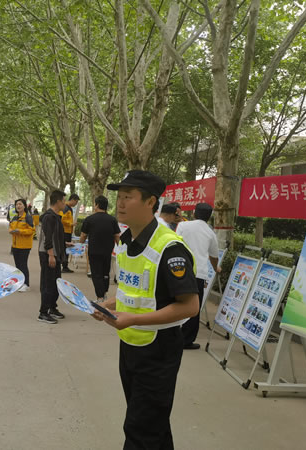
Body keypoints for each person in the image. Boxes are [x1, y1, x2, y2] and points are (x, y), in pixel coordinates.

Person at [92, 170, 199, 449]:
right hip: (130, 345)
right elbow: (135, 291)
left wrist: (133, 319)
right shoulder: (126, 241)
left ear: (151, 202)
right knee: (153, 425)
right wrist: (107, 305)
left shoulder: (169, 248)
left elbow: (190, 306)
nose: (120, 203)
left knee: (140, 429)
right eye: (119, 196)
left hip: (159, 349)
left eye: (128, 197)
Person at [176, 202, 220, 349]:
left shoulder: (183, 226)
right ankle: (187, 340)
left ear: (194, 213)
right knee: (194, 307)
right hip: (198, 273)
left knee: (175, 302)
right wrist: (216, 268)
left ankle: (170, 334)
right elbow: (214, 255)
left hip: (179, 269)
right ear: (210, 216)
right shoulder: (210, 233)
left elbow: (175, 243)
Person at [79, 195, 120, 303]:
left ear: (97, 205)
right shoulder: (112, 220)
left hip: (94, 251)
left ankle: (100, 298)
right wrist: (121, 250)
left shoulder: (89, 219)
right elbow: (117, 236)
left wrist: (80, 244)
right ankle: (104, 294)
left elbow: (83, 235)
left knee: (96, 274)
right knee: (105, 273)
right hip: (107, 251)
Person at [37, 190, 68, 324]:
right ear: (58, 202)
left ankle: (52, 308)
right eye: (64, 201)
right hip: (48, 254)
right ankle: (43, 312)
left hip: (55, 254)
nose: (65, 204)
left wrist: (65, 244)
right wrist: (51, 255)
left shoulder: (55, 217)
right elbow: (47, 239)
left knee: (56, 283)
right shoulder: (49, 217)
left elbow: (55, 236)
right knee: (48, 283)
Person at [9, 198, 34, 292]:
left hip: (25, 246)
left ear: (24, 206)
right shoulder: (15, 217)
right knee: (17, 265)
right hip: (15, 245)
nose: (18, 206)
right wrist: (11, 231)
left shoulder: (28, 217)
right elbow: (10, 227)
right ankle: (19, 282)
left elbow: (31, 230)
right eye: (17, 204)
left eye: (20, 204)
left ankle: (26, 284)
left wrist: (20, 231)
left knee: (23, 265)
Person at [59, 193, 79, 273]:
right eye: (76, 202)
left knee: (66, 249)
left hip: (68, 231)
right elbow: (62, 219)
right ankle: (64, 266)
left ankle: (65, 265)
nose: (76, 204)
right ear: (72, 200)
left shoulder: (69, 208)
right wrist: (71, 224)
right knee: (65, 249)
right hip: (65, 231)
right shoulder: (66, 208)